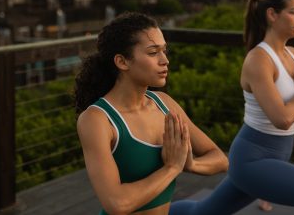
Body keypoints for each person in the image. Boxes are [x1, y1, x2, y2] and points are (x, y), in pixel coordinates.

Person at [170, 0, 294, 215]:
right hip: (252, 161)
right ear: (272, 14)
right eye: (293, 11)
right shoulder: (259, 60)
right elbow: (282, 119)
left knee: (202, 212)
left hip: (277, 156)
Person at [75, 12, 228, 215]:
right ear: (122, 62)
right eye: (153, 52)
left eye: (164, 51)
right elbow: (117, 204)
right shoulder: (97, 120)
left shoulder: (164, 103)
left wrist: (190, 164)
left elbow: (220, 159)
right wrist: (172, 168)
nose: (165, 60)